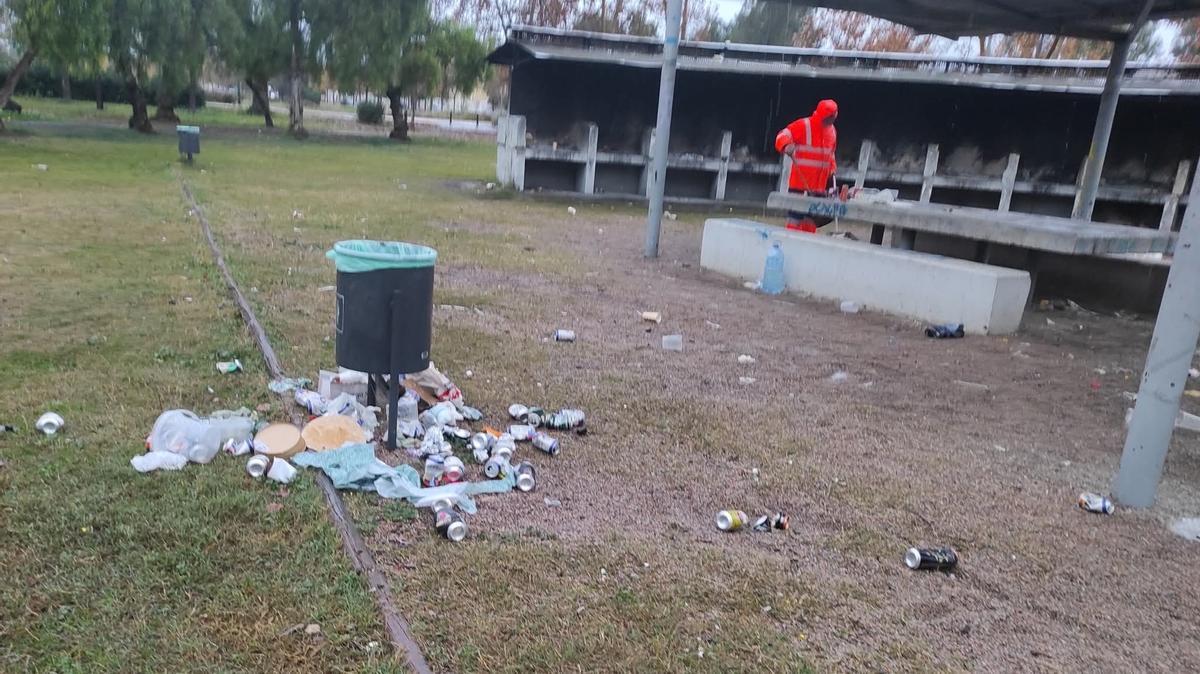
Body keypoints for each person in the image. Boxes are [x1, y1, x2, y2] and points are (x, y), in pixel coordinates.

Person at [775, 99, 838, 232]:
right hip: (799, 185)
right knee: (795, 220)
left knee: (811, 223)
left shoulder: (832, 132)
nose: (831, 120)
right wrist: (786, 144)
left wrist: (832, 171)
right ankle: (789, 244)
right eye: (829, 117)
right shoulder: (804, 125)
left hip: (819, 189)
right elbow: (782, 134)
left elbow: (830, 155)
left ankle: (805, 247)